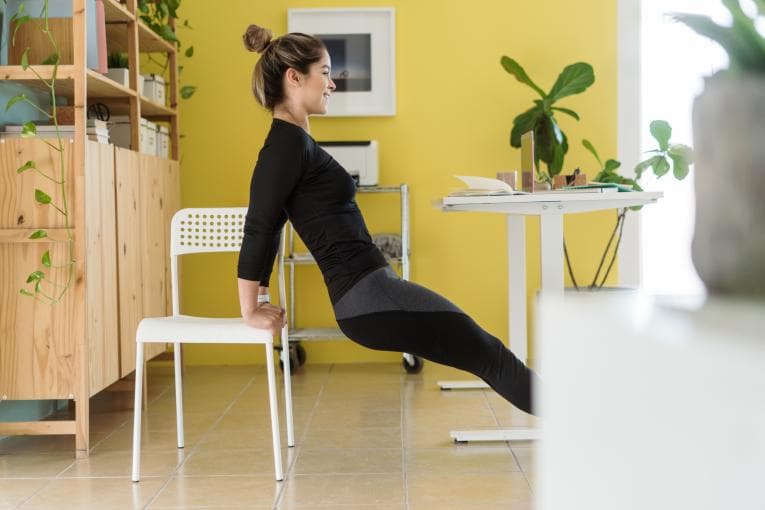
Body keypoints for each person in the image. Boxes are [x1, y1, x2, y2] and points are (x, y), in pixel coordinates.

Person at [237, 25, 541, 415]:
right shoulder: (284, 146)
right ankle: (584, 426)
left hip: (371, 292)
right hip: (367, 295)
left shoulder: (295, 143)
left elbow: (272, 225)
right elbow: (261, 224)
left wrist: (261, 299)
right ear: (294, 78)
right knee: (487, 352)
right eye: (325, 72)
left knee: (485, 351)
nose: (332, 84)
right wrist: (251, 308)